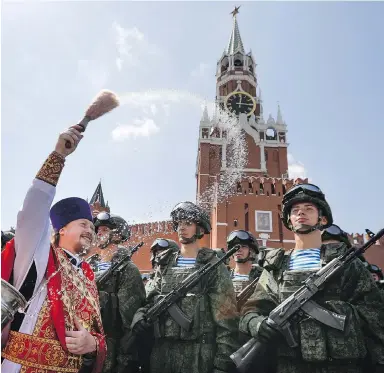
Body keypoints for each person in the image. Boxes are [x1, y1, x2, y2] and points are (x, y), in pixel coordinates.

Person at [240, 183, 384, 373]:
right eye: (296, 210)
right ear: (289, 220)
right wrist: (257, 324)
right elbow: (251, 309)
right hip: (288, 363)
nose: (301, 213)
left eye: (309, 209)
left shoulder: (345, 264)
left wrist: (336, 312)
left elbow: (375, 312)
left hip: (341, 364)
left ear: (322, 219)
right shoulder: (276, 266)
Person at [1, 125, 106, 373]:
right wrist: (58, 156)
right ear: (61, 230)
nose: (90, 231)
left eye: (92, 227)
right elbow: (32, 212)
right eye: (83, 224)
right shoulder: (39, 258)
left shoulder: (89, 276)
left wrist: (92, 343)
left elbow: (96, 332)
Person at [132, 201, 239, 373]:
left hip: (199, 356)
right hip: (162, 355)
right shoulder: (164, 264)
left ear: (200, 229)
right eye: (179, 223)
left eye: (188, 223)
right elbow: (149, 300)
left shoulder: (213, 265)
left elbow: (227, 321)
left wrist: (222, 364)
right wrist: (139, 317)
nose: (182, 227)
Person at [92, 212, 146, 373]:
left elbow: (129, 321)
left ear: (117, 235)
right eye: (98, 230)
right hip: (83, 344)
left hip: (110, 348)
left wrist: (124, 360)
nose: (98, 233)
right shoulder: (88, 266)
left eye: (104, 229)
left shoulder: (128, 270)